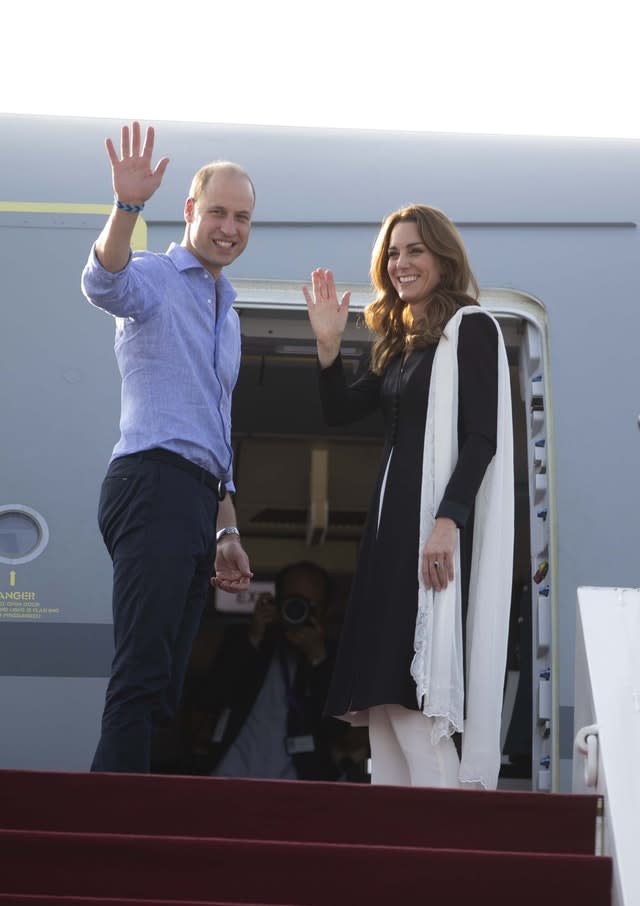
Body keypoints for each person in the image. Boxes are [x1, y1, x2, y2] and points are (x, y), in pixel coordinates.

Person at [303, 204, 514, 790]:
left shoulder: (471, 328)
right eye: (393, 253)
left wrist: (448, 521)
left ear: (443, 258)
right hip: (389, 532)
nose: (401, 263)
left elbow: (482, 437)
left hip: (428, 528)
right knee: (384, 698)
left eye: (415, 250)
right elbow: (340, 410)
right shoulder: (402, 343)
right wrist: (326, 347)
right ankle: (400, 849)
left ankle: (448, 846)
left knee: (413, 696)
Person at [81, 121, 254, 773]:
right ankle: (102, 841)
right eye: (217, 212)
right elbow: (104, 282)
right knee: (142, 678)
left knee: (165, 691)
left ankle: (134, 840)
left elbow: (217, 432)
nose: (229, 228)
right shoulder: (155, 275)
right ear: (190, 212)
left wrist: (226, 532)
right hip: (151, 483)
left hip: (194, 498)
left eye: (241, 217)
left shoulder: (227, 313)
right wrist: (126, 208)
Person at [184, 561, 354, 781]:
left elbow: (336, 730)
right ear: (277, 601)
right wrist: (253, 639)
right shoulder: (246, 638)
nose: (298, 611)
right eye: (292, 602)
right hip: (230, 774)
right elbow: (209, 699)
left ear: (325, 610)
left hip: (301, 783)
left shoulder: (332, 655)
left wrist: (318, 659)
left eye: (309, 606)